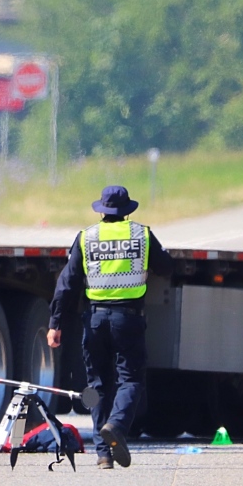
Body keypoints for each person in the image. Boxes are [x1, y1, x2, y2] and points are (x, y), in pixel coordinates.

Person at [46, 185, 173, 469]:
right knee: (130, 380)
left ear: (101, 211)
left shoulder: (86, 238)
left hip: (94, 320)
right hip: (128, 319)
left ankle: (103, 454)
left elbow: (67, 284)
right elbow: (167, 267)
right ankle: (116, 425)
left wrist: (55, 323)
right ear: (127, 211)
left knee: (98, 384)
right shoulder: (141, 235)